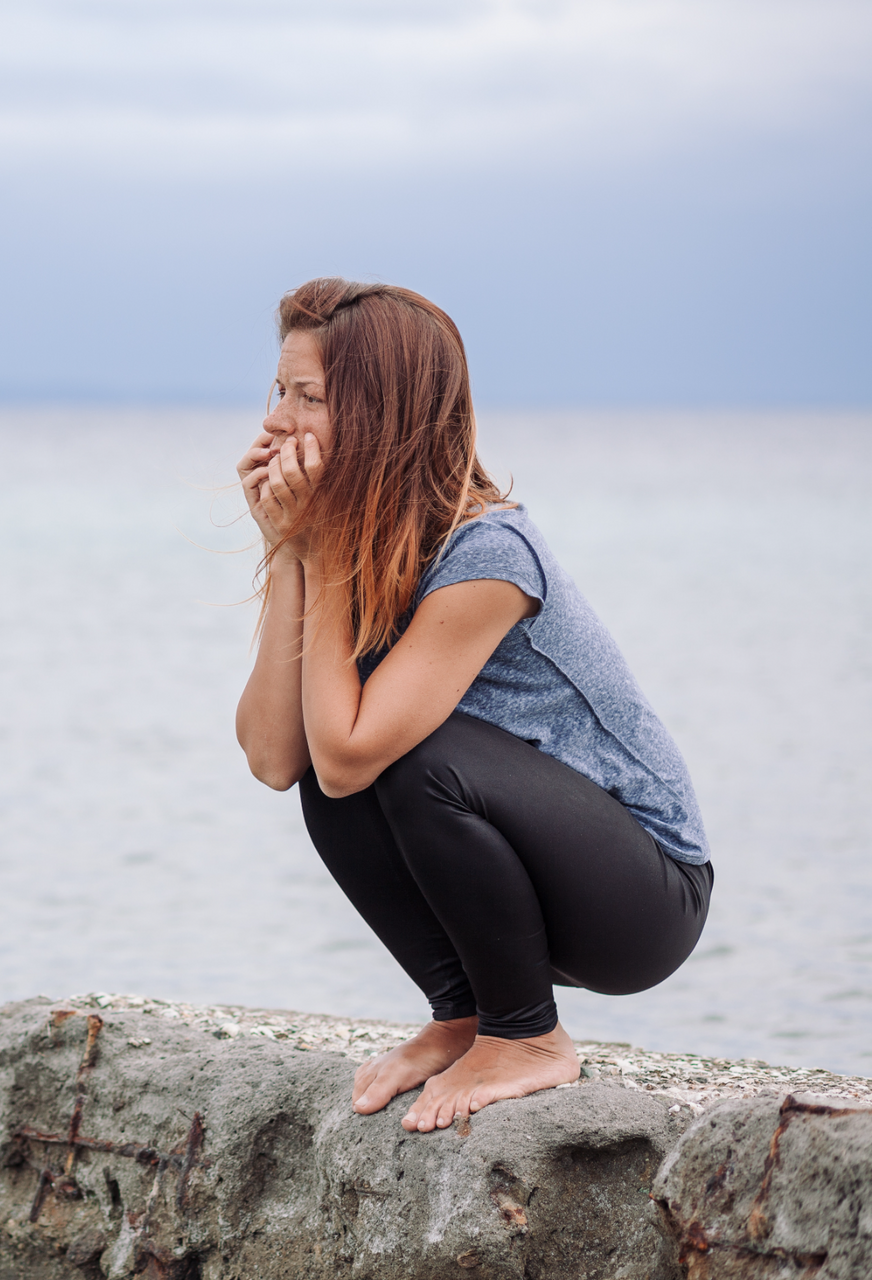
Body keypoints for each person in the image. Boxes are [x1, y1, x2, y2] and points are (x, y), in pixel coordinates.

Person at [233, 278, 713, 1134]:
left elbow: (356, 753)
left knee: (396, 757)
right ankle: (462, 1016)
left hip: (645, 895)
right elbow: (277, 757)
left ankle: (528, 1036)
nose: (274, 423)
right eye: (279, 392)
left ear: (380, 414)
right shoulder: (361, 546)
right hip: (531, 869)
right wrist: (290, 555)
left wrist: (320, 549)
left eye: (305, 397)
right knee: (331, 750)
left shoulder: (487, 553)